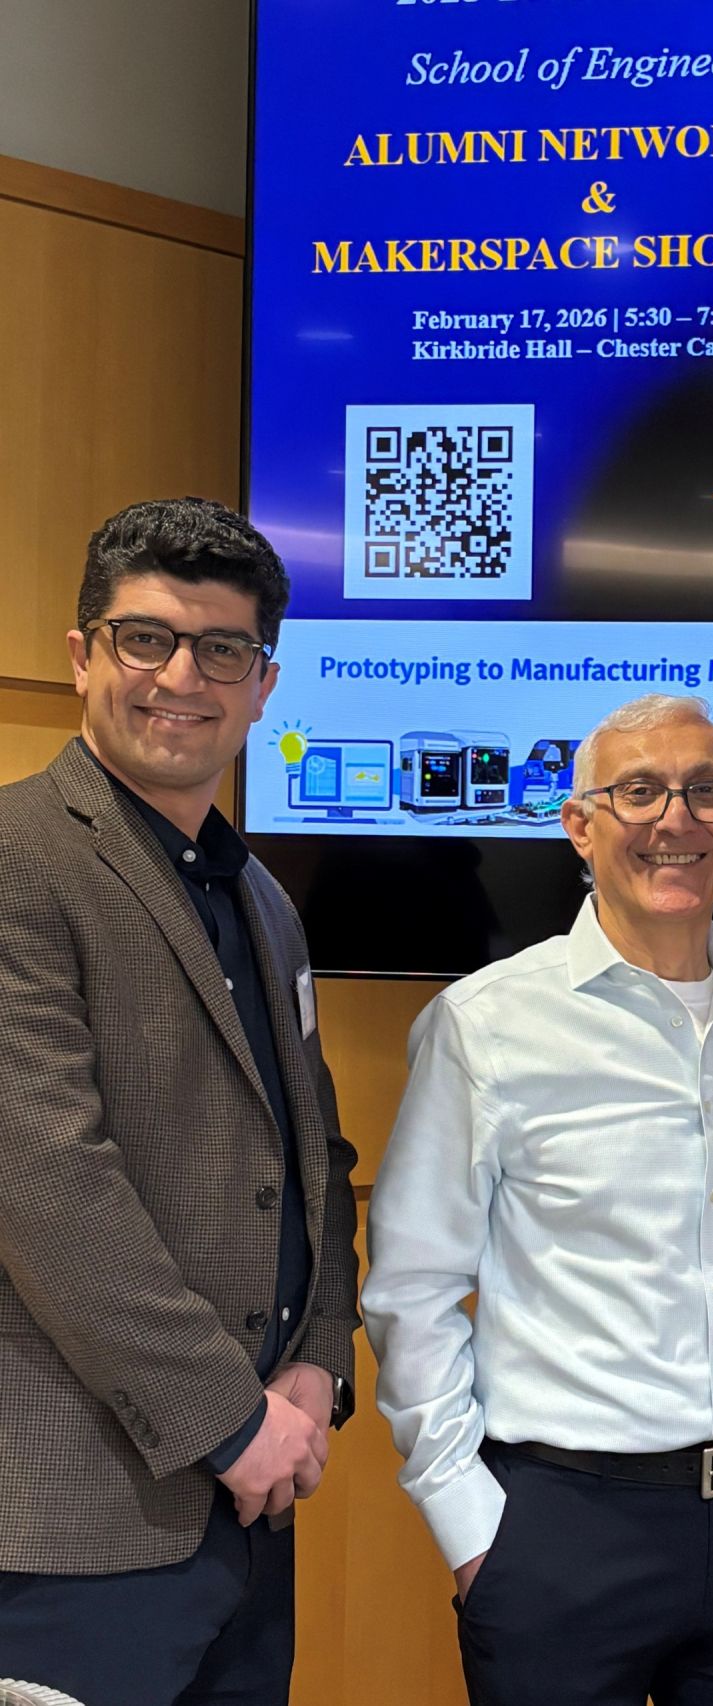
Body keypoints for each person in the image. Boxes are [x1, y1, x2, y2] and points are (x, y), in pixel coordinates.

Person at [364, 692, 713, 1706]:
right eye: (638, 791)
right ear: (579, 825)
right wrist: (470, 1522)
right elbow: (412, 1288)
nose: (676, 819)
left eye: (707, 791)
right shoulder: (486, 1025)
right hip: (562, 1534)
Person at [0, 498, 360, 1706]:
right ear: (81, 655)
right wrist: (230, 1420)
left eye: (221, 649)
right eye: (145, 638)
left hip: (246, 1513)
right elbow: (46, 1183)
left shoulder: (261, 896)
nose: (181, 677)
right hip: (72, 1526)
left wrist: (317, 1365)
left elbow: (313, 1155)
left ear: (264, 684)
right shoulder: (17, 860)